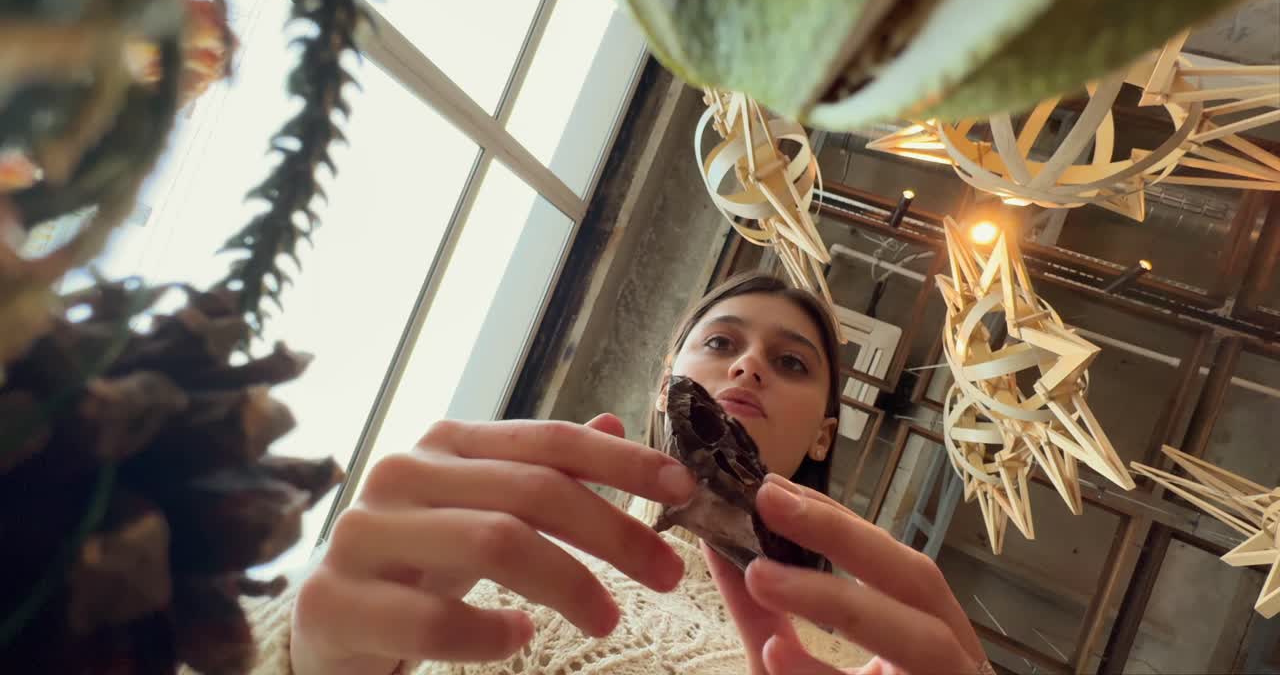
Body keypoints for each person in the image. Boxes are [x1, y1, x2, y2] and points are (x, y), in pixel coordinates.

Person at [231, 273, 992, 675]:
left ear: (826, 431)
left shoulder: (867, 666)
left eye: (791, 362)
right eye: (721, 342)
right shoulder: (476, 559)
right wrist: (308, 658)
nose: (749, 365)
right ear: (667, 381)